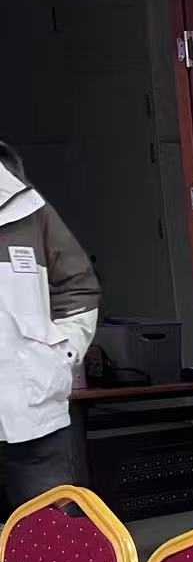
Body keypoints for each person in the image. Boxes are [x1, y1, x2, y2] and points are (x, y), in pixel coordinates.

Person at [0, 142, 99, 513]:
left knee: (50, 536)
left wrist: (61, 356)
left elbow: (79, 286)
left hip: (34, 412)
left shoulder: (28, 208)